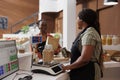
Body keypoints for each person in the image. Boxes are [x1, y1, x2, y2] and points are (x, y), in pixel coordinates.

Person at [62, 8, 103, 80]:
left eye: (77, 18)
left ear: (82, 20)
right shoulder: (86, 32)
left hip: (87, 73)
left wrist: (67, 67)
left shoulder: (89, 34)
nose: (76, 21)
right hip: (83, 72)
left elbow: (85, 59)